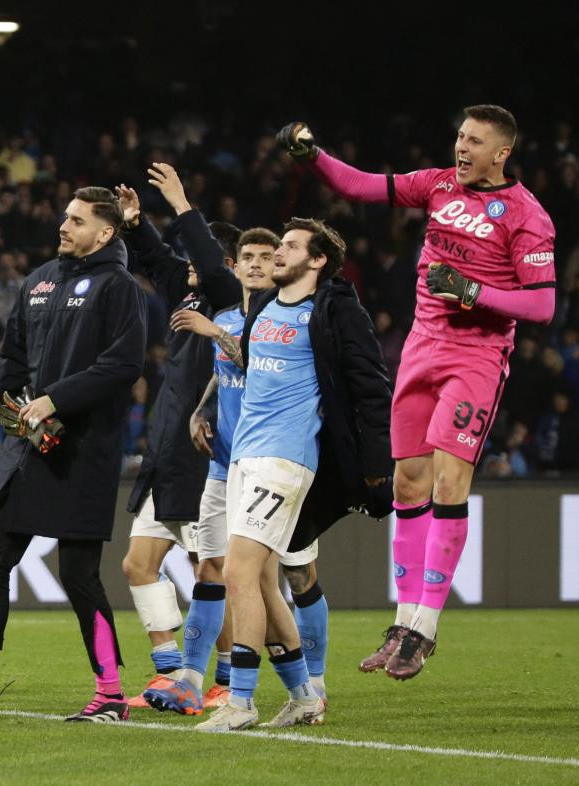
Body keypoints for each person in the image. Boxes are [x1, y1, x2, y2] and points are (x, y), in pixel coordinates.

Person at [279, 104, 557, 678]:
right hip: (420, 351)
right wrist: (313, 157)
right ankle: (403, 623)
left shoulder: (528, 216)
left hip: (475, 358)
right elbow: (359, 185)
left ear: (502, 153)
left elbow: (541, 304)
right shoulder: (436, 185)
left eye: (475, 141)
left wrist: (473, 290)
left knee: (451, 478)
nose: (462, 147)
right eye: (459, 136)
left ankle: (425, 628)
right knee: (407, 480)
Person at [0, 187, 147, 723]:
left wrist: (56, 397)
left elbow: (124, 365)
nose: (63, 226)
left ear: (106, 232)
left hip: (85, 452)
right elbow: (12, 364)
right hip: (28, 449)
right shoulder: (40, 280)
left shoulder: (119, 287)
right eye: (64, 217)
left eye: (76, 220)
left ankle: (111, 694)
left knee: (77, 574)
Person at [196, 218, 391, 732]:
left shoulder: (329, 312)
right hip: (243, 456)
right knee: (260, 580)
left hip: (285, 459)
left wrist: (376, 465)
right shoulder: (262, 307)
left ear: (318, 259)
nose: (277, 253)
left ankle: (240, 703)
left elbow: (370, 384)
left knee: (238, 571)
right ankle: (304, 696)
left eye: (288, 246)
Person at [111, 164, 240, 716]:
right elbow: (163, 262)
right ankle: (170, 676)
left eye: (200, 255)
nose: (188, 264)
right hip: (165, 451)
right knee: (138, 564)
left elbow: (205, 262)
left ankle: (228, 680)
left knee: (208, 570)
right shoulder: (188, 295)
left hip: (200, 456)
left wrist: (182, 204)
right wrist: (137, 225)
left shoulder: (231, 301)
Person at [161, 228, 281, 712]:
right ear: (235, 266)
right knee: (209, 566)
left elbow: (259, 363)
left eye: (265, 257)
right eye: (247, 257)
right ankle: (192, 676)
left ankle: (307, 684)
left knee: (285, 577)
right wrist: (201, 410)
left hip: (269, 464)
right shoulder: (231, 314)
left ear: (279, 265)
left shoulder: (281, 319)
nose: (254, 264)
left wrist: (213, 331)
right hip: (222, 461)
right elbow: (222, 369)